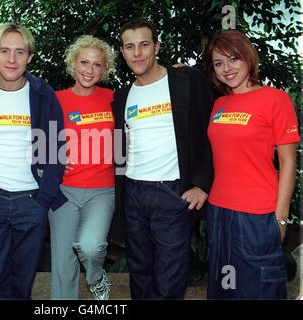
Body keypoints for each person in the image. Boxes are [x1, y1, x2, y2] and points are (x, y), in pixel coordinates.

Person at [112, 18, 214, 299]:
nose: (138, 53)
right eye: (130, 47)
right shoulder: (122, 97)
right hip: (133, 191)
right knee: (140, 272)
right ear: (122, 53)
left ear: (157, 46)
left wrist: (202, 183)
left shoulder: (186, 81)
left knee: (170, 276)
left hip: (172, 193)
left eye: (144, 45)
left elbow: (212, 132)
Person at [0, 22, 66, 299]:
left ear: (30, 57)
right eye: (5, 51)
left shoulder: (43, 95)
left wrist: (43, 198)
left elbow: (57, 149)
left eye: (19, 52)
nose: (12, 59)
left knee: (22, 285)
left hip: (30, 202)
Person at [205, 30, 300, 299]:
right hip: (218, 212)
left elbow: (288, 161)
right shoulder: (219, 105)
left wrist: (281, 217)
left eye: (233, 59)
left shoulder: (276, 99)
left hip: (257, 215)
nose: (227, 69)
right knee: (223, 290)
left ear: (248, 58)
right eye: (218, 63)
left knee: (258, 290)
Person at [50, 35, 116, 300]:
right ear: (72, 63)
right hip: (64, 191)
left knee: (90, 246)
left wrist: (180, 76)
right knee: (63, 265)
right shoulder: (55, 99)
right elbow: (38, 136)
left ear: (105, 69)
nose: (90, 70)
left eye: (97, 65)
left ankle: (97, 277)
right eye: (84, 62)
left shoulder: (114, 99)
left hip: (102, 189)